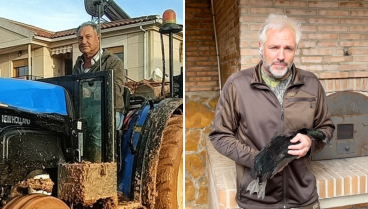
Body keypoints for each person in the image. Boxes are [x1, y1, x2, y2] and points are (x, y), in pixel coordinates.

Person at [209, 14, 335, 209]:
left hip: (303, 200)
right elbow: (219, 136)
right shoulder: (238, 85)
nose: (281, 56)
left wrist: (311, 142)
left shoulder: (311, 83)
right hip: (256, 201)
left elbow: (326, 127)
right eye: (274, 47)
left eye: (288, 49)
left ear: (296, 50)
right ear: (261, 47)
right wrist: (260, 161)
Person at [73, 21, 125, 162]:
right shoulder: (78, 65)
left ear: (98, 38)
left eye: (88, 37)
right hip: (84, 112)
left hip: (109, 111)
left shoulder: (113, 62)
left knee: (97, 128)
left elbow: (115, 90)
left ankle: (97, 171)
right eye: (80, 38)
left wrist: (88, 92)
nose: (84, 41)